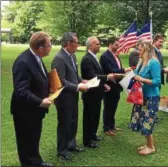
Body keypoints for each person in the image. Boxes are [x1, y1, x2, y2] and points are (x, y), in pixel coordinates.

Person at [11, 31, 53, 166]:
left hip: (35, 110)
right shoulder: (23, 62)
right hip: (25, 111)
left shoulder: (36, 57)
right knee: (25, 141)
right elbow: (21, 91)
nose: (51, 47)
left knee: (34, 138)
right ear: (40, 48)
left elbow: (39, 78)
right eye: (49, 45)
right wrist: (40, 101)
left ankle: (37, 162)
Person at [51, 32, 88, 161]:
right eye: (76, 42)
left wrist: (82, 81)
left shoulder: (72, 56)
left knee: (73, 121)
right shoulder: (59, 58)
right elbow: (60, 81)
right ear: (68, 43)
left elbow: (74, 75)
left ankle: (71, 144)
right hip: (64, 98)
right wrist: (78, 87)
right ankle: (62, 150)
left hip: (73, 96)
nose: (78, 45)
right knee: (64, 123)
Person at [80, 37, 116, 148]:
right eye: (97, 44)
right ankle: (87, 140)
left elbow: (97, 74)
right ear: (90, 45)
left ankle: (93, 135)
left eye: (99, 44)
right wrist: (107, 77)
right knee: (89, 117)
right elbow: (92, 76)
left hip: (97, 93)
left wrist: (103, 84)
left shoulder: (94, 57)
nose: (99, 46)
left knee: (95, 116)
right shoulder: (87, 59)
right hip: (90, 93)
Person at [130, 40, 161, 156]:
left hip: (152, 97)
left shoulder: (154, 63)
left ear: (147, 50)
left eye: (140, 49)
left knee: (148, 121)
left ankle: (151, 147)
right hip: (142, 96)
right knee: (143, 120)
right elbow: (136, 75)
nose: (138, 51)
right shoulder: (142, 62)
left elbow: (157, 81)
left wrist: (142, 79)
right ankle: (147, 144)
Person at [100, 37, 131, 136]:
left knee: (114, 106)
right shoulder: (105, 56)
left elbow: (116, 68)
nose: (118, 47)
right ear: (110, 44)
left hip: (117, 85)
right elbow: (110, 70)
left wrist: (122, 71)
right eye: (116, 45)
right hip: (109, 86)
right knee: (108, 107)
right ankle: (106, 128)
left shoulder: (115, 56)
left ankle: (112, 125)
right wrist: (124, 70)